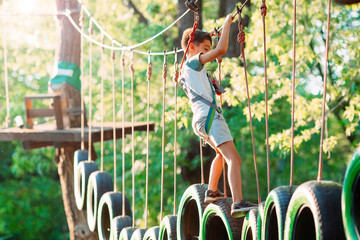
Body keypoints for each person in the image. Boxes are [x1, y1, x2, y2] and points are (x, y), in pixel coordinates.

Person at [179, 14, 257, 217]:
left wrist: (212, 34)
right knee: (234, 159)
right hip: (209, 116)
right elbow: (221, 50)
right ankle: (238, 202)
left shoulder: (186, 71)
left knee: (222, 154)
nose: (207, 54)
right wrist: (227, 24)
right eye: (204, 49)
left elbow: (212, 50)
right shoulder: (193, 63)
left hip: (200, 120)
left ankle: (212, 190)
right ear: (191, 46)